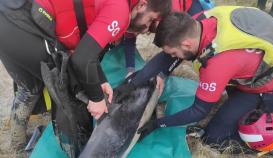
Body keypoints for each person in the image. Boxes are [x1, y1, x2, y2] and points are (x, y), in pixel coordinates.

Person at [0, 0, 171, 156]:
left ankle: (16, 146)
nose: (146, 27)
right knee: (66, 88)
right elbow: (81, 59)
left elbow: (84, 47)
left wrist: (101, 80)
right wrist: (96, 98)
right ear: (142, 4)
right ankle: (73, 151)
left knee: (31, 87)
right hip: (24, 23)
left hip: (9, 15)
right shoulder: (120, 11)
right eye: (150, 20)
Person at [134, 6, 273, 153]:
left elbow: (198, 111)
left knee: (213, 140)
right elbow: (166, 57)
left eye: (174, 53)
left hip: (269, 89)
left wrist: (158, 123)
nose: (173, 57)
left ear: (186, 44)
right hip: (253, 65)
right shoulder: (198, 22)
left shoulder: (216, 65)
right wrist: (134, 82)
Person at [122, 0, 214, 78]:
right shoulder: (133, 16)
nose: (141, 33)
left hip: (191, 4)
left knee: (196, 46)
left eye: (140, 32)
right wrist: (130, 70)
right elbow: (129, 40)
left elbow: (177, 48)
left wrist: (163, 74)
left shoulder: (170, 13)